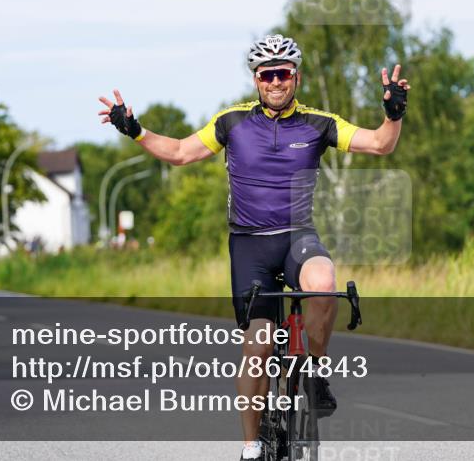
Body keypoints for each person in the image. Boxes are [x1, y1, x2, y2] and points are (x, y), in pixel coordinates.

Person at [99, 34, 410, 460]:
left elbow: (380, 144)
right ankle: (251, 445)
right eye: (268, 75)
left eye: (283, 73)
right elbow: (180, 152)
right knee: (258, 346)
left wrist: (393, 114)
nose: (276, 81)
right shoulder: (232, 123)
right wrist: (134, 129)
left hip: (298, 237)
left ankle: (315, 372)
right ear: (256, 80)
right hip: (249, 245)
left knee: (324, 283)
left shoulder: (319, 123)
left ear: (296, 77)